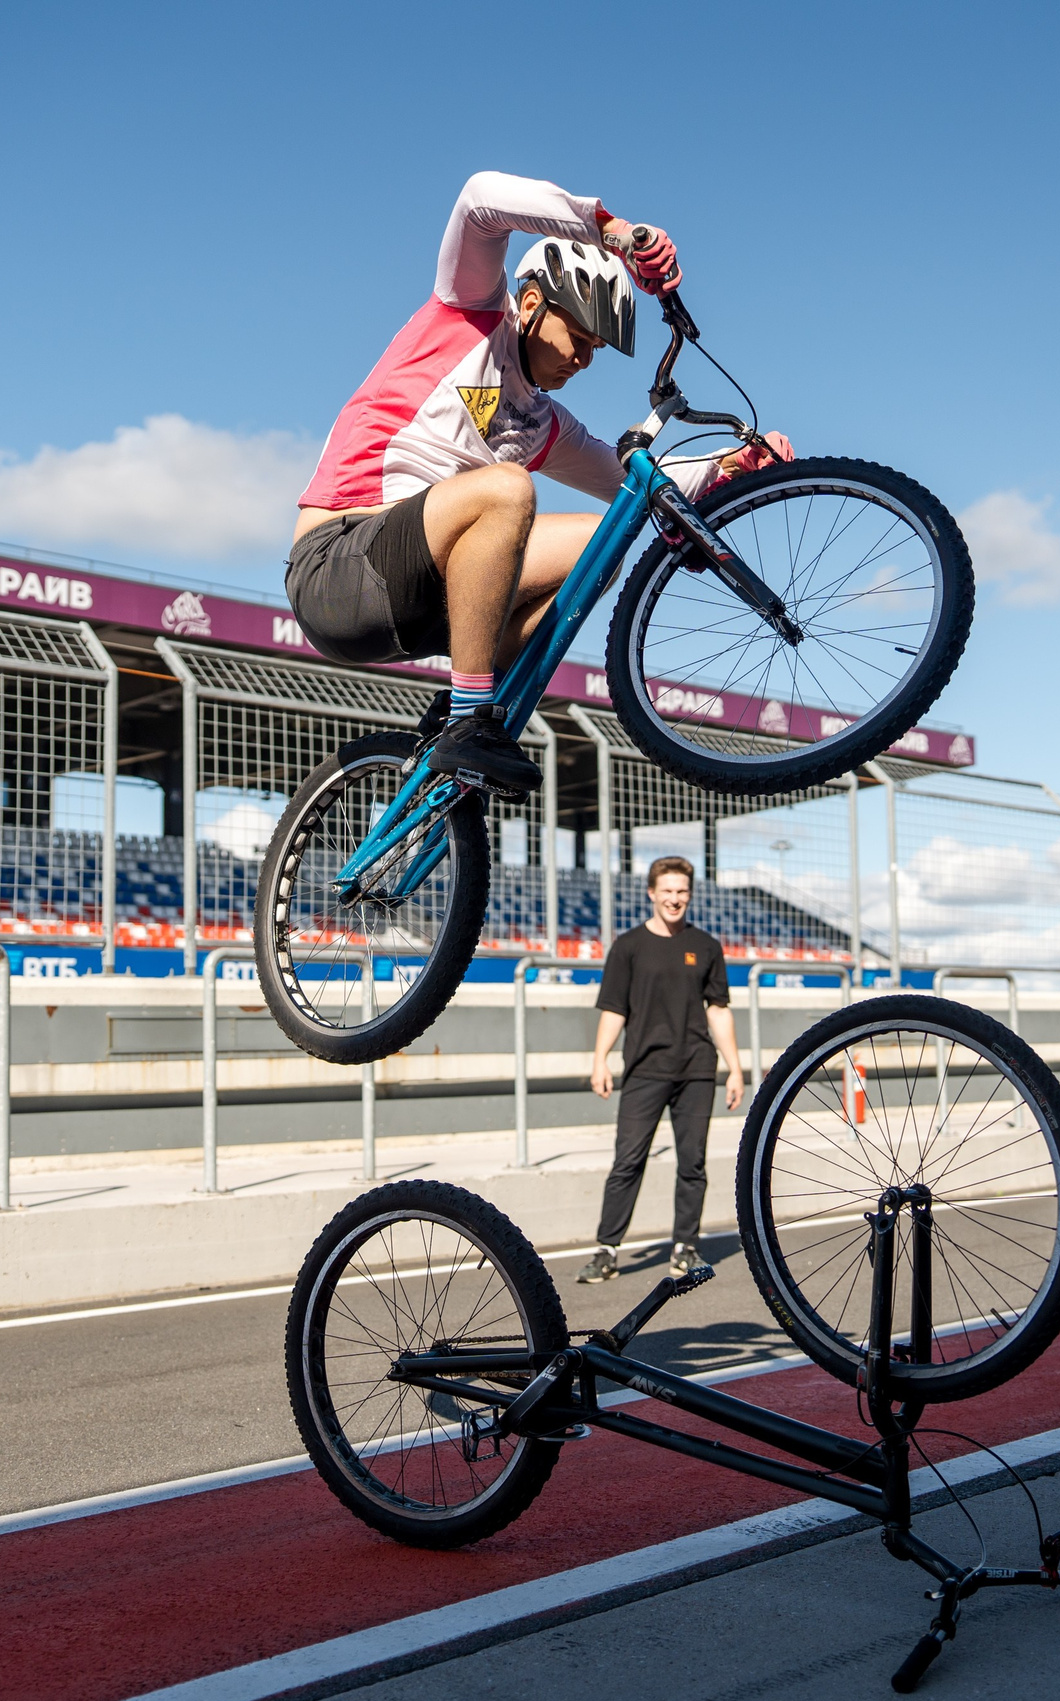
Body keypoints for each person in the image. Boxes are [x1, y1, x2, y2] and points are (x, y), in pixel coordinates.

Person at [285, 171, 791, 800]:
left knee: (603, 540)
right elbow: (479, 200)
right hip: (338, 565)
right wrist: (612, 232)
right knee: (507, 490)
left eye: (596, 350)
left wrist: (730, 466)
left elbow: (632, 484)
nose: (583, 360)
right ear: (529, 306)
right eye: (577, 338)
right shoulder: (468, 314)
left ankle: (459, 719)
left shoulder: (542, 425)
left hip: (420, 600)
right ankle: (475, 718)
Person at [578, 856, 745, 1283]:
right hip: (645, 1070)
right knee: (628, 1160)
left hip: (695, 1070)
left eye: (682, 891)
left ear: (690, 894)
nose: (675, 899)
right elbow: (614, 1010)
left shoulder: (706, 946)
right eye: (667, 891)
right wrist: (599, 1061)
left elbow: (719, 1011)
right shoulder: (629, 946)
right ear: (651, 893)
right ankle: (606, 1250)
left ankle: (685, 1247)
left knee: (693, 1162)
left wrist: (735, 1068)